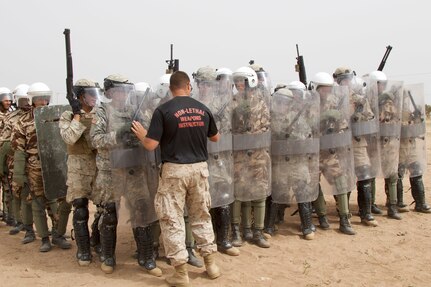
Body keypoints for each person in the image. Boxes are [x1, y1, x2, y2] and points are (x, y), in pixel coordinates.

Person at [132, 71, 221, 286]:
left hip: (174, 171)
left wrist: (142, 133)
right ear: (189, 86)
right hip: (199, 169)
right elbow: (215, 138)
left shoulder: (163, 110)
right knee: (201, 215)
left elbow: (151, 145)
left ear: (170, 89)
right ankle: (211, 264)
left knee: (172, 219)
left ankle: (181, 273)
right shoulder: (203, 109)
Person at [90, 74, 161, 276]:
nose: (122, 95)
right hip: (110, 170)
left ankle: (146, 258)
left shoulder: (134, 112)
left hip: (133, 168)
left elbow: (149, 134)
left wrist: (137, 137)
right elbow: (95, 140)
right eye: (118, 91)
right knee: (110, 213)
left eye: (125, 91)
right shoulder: (102, 110)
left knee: (141, 211)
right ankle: (108, 257)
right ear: (109, 92)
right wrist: (117, 135)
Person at [11, 82, 69, 252]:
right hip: (34, 166)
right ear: (31, 100)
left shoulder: (57, 116)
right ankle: (44, 238)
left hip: (56, 163)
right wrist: (19, 176)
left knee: (63, 200)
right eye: (39, 99)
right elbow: (19, 151)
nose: (43, 102)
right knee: (37, 202)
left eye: (45, 98)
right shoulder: (22, 122)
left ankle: (58, 234)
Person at [193, 66, 239, 256]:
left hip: (219, 157)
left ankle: (225, 240)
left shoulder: (223, 102)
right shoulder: (192, 103)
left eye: (208, 84)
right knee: (202, 201)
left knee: (223, 197)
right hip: (199, 158)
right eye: (202, 84)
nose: (205, 88)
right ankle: (206, 241)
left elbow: (227, 129)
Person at [267, 87, 319, 240]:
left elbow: (306, 136)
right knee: (277, 194)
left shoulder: (298, 118)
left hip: (297, 163)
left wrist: (290, 135)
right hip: (280, 163)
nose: (281, 105)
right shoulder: (272, 119)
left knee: (302, 192)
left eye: (284, 103)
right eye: (279, 102)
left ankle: (307, 226)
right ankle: (270, 226)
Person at [59, 79, 102, 266]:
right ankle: (83, 250)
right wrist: (77, 117)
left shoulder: (100, 114)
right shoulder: (68, 116)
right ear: (80, 96)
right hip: (78, 168)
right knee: (80, 208)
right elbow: (69, 138)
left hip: (99, 166)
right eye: (90, 94)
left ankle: (97, 239)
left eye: (95, 93)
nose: (94, 97)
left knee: (105, 208)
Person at [230, 66, 271, 248]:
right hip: (238, 155)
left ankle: (258, 231)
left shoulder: (262, 102)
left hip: (258, 154)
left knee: (259, 192)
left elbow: (267, 126)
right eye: (237, 81)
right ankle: (239, 230)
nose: (239, 84)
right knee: (239, 193)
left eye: (242, 81)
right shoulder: (232, 102)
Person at [311, 72, 356, 235]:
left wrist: (337, 121)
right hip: (314, 152)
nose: (326, 92)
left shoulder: (336, 103)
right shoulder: (308, 104)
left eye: (329, 88)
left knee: (341, 182)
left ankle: (344, 218)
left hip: (330, 152)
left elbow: (343, 126)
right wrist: (322, 118)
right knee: (313, 184)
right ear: (316, 89)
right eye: (323, 89)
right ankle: (322, 216)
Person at [333, 67, 379, 227]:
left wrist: (360, 117)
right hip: (340, 145)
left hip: (358, 144)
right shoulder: (333, 100)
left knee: (364, 176)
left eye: (348, 79)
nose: (346, 82)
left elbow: (370, 117)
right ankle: (343, 211)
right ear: (337, 81)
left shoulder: (360, 100)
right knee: (344, 179)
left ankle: (366, 214)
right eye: (343, 79)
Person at [0, 84, 35, 243]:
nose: (26, 103)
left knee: (38, 195)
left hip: (35, 162)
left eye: (27, 99)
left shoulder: (38, 116)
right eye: (22, 100)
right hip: (15, 161)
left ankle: (50, 230)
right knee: (17, 192)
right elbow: (5, 142)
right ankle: (19, 221)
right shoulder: (11, 118)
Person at [370, 71, 404, 220]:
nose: (381, 87)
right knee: (369, 175)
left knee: (391, 175)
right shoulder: (367, 100)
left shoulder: (389, 102)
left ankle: (392, 206)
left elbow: (395, 119)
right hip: (372, 143)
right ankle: (369, 205)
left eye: (383, 84)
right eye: (379, 84)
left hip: (389, 143)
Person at [398, 84, 430, 213]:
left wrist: (418, 118)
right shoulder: (394, 112)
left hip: (412, 147)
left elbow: (419, 130)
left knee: (417, 173)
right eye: (403, 97)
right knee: (398, 175)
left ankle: (420, 203)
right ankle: (398, 202)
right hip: (400, 148)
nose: (405, 100)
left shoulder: (411, 113)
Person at [0, 87, 14, 226]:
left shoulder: (11, 115)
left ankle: (8, 214)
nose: (8, 101)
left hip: (6, 155)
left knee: (7, 186)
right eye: (5, 98)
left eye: (9, 98)